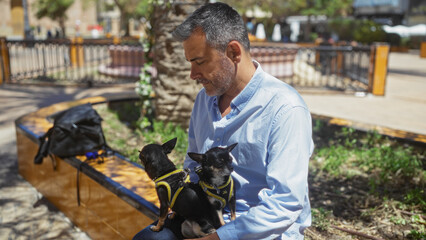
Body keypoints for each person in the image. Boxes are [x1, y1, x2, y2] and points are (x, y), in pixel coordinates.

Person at [133, 2, 313, 240]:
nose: (192, 75)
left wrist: (219, 237)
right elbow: (193, 164)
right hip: (204, 218)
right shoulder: (204, 100)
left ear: (233, 52)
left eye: (199, 62)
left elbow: (285, 203)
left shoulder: (285, 108)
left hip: (259, 232)